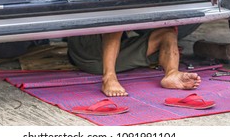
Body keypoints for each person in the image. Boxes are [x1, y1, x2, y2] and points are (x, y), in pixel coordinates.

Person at [67, 27, 201, 97]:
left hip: (111, 57)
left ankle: (172, 73)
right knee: (116, 16)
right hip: (85, 55)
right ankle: (109, 77)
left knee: (167, 33)